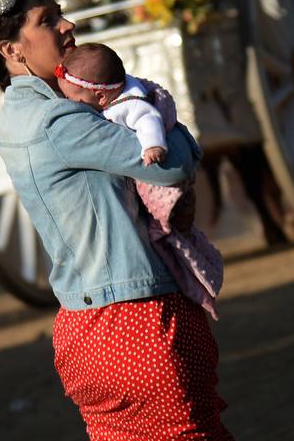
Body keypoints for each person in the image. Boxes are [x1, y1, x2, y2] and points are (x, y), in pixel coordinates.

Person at [0, 0, 240, 441]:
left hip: (85, 332)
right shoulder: (59, 120)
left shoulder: (19, 117)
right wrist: (159, 115)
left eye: (60, 13)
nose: (67, 27)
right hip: (137, 324)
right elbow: (169, 161)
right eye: (47, 19)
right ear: (13, 50)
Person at [56, 44, 224, 319]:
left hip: (157, 180)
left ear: (100, 96)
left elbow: (150, 118)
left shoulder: (129, 104)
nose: (70, 104)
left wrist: (153, 146)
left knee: (168, 233)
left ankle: (198, 279)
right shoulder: (104, 99)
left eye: (74, 99)